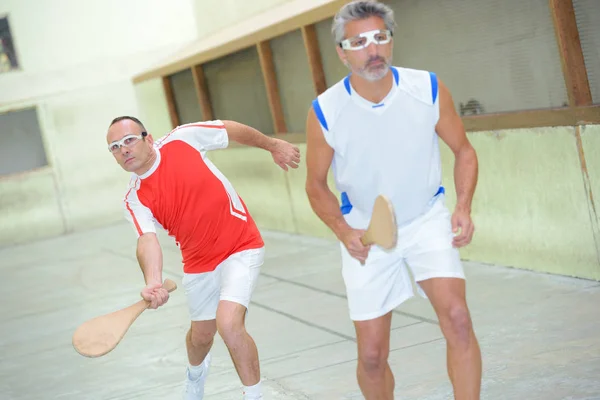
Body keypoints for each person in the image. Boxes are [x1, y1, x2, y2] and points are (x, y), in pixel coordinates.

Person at [304, 1, 482, 399]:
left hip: (426, 219)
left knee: (458, 319)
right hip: (367, 232)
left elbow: (464, 151)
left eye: (380, 37)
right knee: (370, 354)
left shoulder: (428, 88)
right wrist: (343, 230)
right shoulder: (326, 111)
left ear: (391, 42)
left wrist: (463, 208)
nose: (373, 50)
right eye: (359, 42)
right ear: (342, 52)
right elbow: (316, 184)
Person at [106, 116, 300, 400]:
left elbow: (231, 130)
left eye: (129, 140)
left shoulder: (183, 139)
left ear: (148, 138)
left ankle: (255, 395)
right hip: (198, 263)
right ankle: (195, 376)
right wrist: (153, 281)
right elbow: (147, 240)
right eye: (114, 147)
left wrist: (271, 145)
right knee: (201, 337)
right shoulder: (134, 198)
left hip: (241, 245)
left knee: (230, 323)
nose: (123, 149)